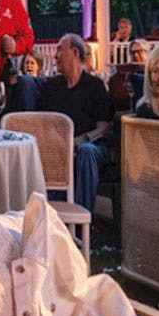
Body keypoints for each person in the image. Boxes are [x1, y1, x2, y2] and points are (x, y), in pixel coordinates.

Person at [37, 34, 112, 212]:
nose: (55, 56)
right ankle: (53, 216)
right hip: (59, 146)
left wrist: (76, 143)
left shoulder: (95, 85)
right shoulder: (51, 87)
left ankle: (81, 220)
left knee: (86, 152)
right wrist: (63, 147)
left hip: (92, 145)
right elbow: (43, 124)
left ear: (75, 52)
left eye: (60, 50)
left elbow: (104, 128)